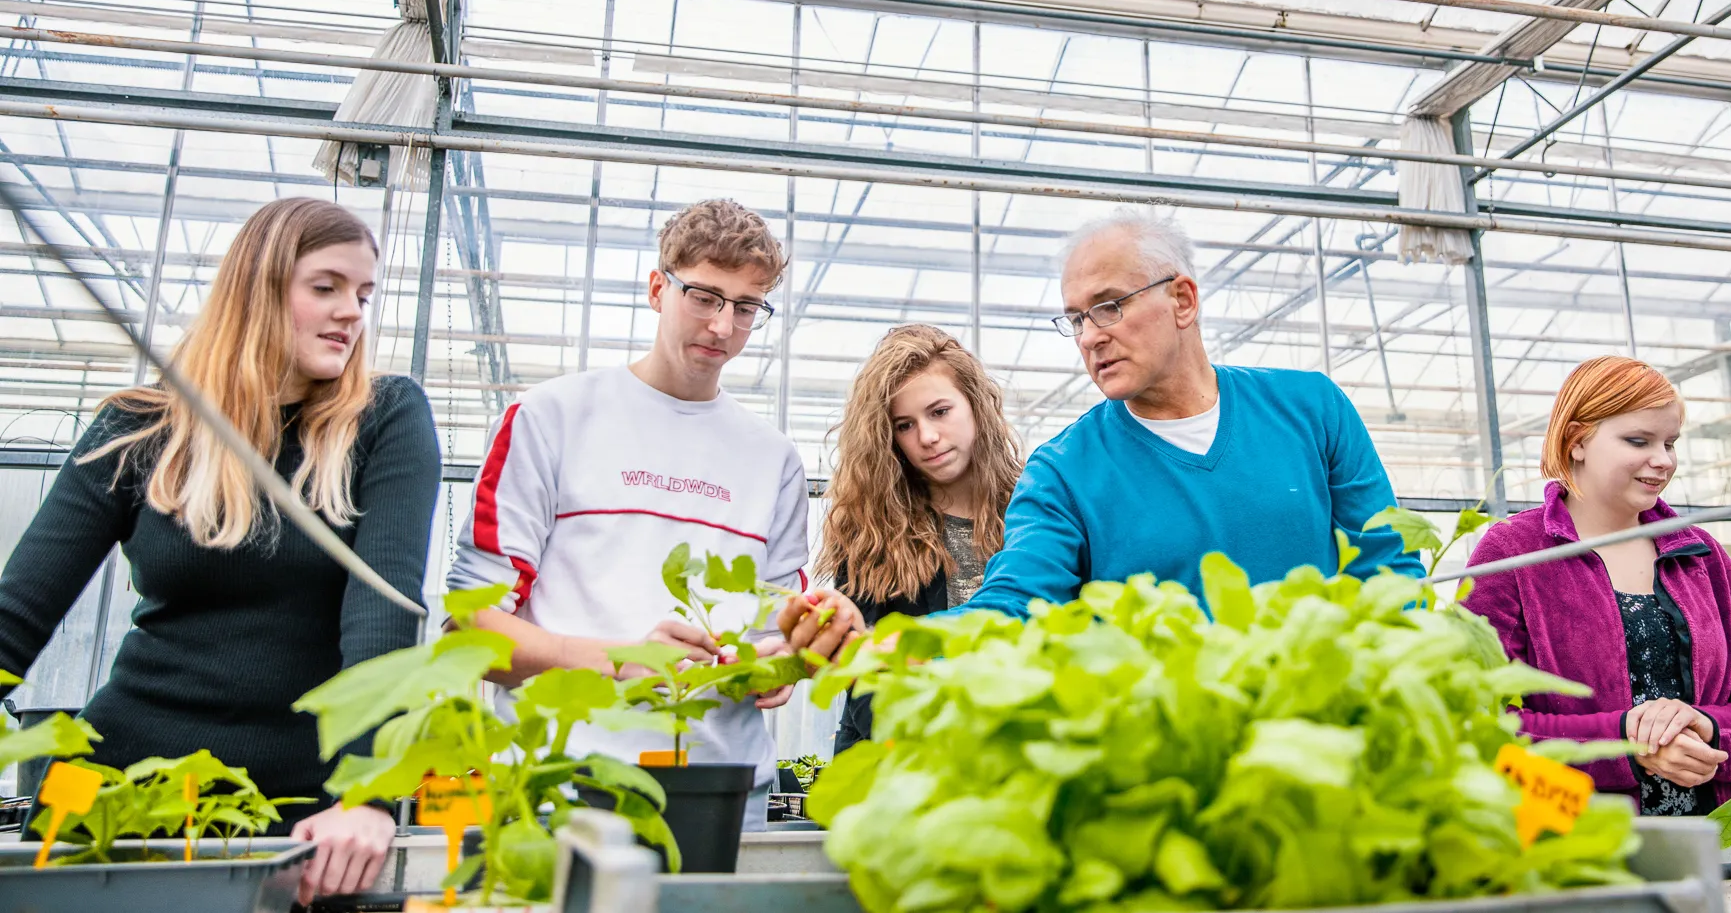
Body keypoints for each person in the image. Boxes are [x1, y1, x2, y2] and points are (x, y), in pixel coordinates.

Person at [0, 197, 440, 903]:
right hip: (112, 790)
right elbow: (17, 612)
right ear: (258, 287)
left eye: (362, 294)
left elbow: (383, 613)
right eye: (325, 286)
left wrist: (365, 794)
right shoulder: (141, 427)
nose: (351, 312)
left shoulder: (383, 418)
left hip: (292, 816)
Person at [447, 198, 860, 829]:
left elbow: (769, 631)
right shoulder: (551, 419)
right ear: (657, 288)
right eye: (704, 297)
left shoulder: (772, 459)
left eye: (746, 307)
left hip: (723, 796)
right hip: (565, 787)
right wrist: (622, 658)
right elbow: (469, 631)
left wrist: (787, 659)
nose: (722, 326)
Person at [962, 211, 1423, 617]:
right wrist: (930, 643)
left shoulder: (1312, 409)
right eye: (1077, 319)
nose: (1088, 337)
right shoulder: (1062, 471)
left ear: (1182, 300)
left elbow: (1388, 570)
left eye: (1109, 307)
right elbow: (1017, 599)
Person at [1463, 356, 1731, 814]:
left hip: (1711, 836)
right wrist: (1627, 745)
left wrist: (1707, 727)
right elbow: (1477, 719)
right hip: (1573, 834)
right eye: (1638, 441)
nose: (1663, 461)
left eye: (1670, 443)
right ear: (1577, 440)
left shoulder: (1700, 555)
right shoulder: (1514, 551)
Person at [816, 325, 1023, 752]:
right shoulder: (873, 527)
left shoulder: (1031, 510)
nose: (926, 437)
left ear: (976, 405)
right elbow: (862, 674)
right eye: (905, 425)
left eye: (940, 411)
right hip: (898, 759)